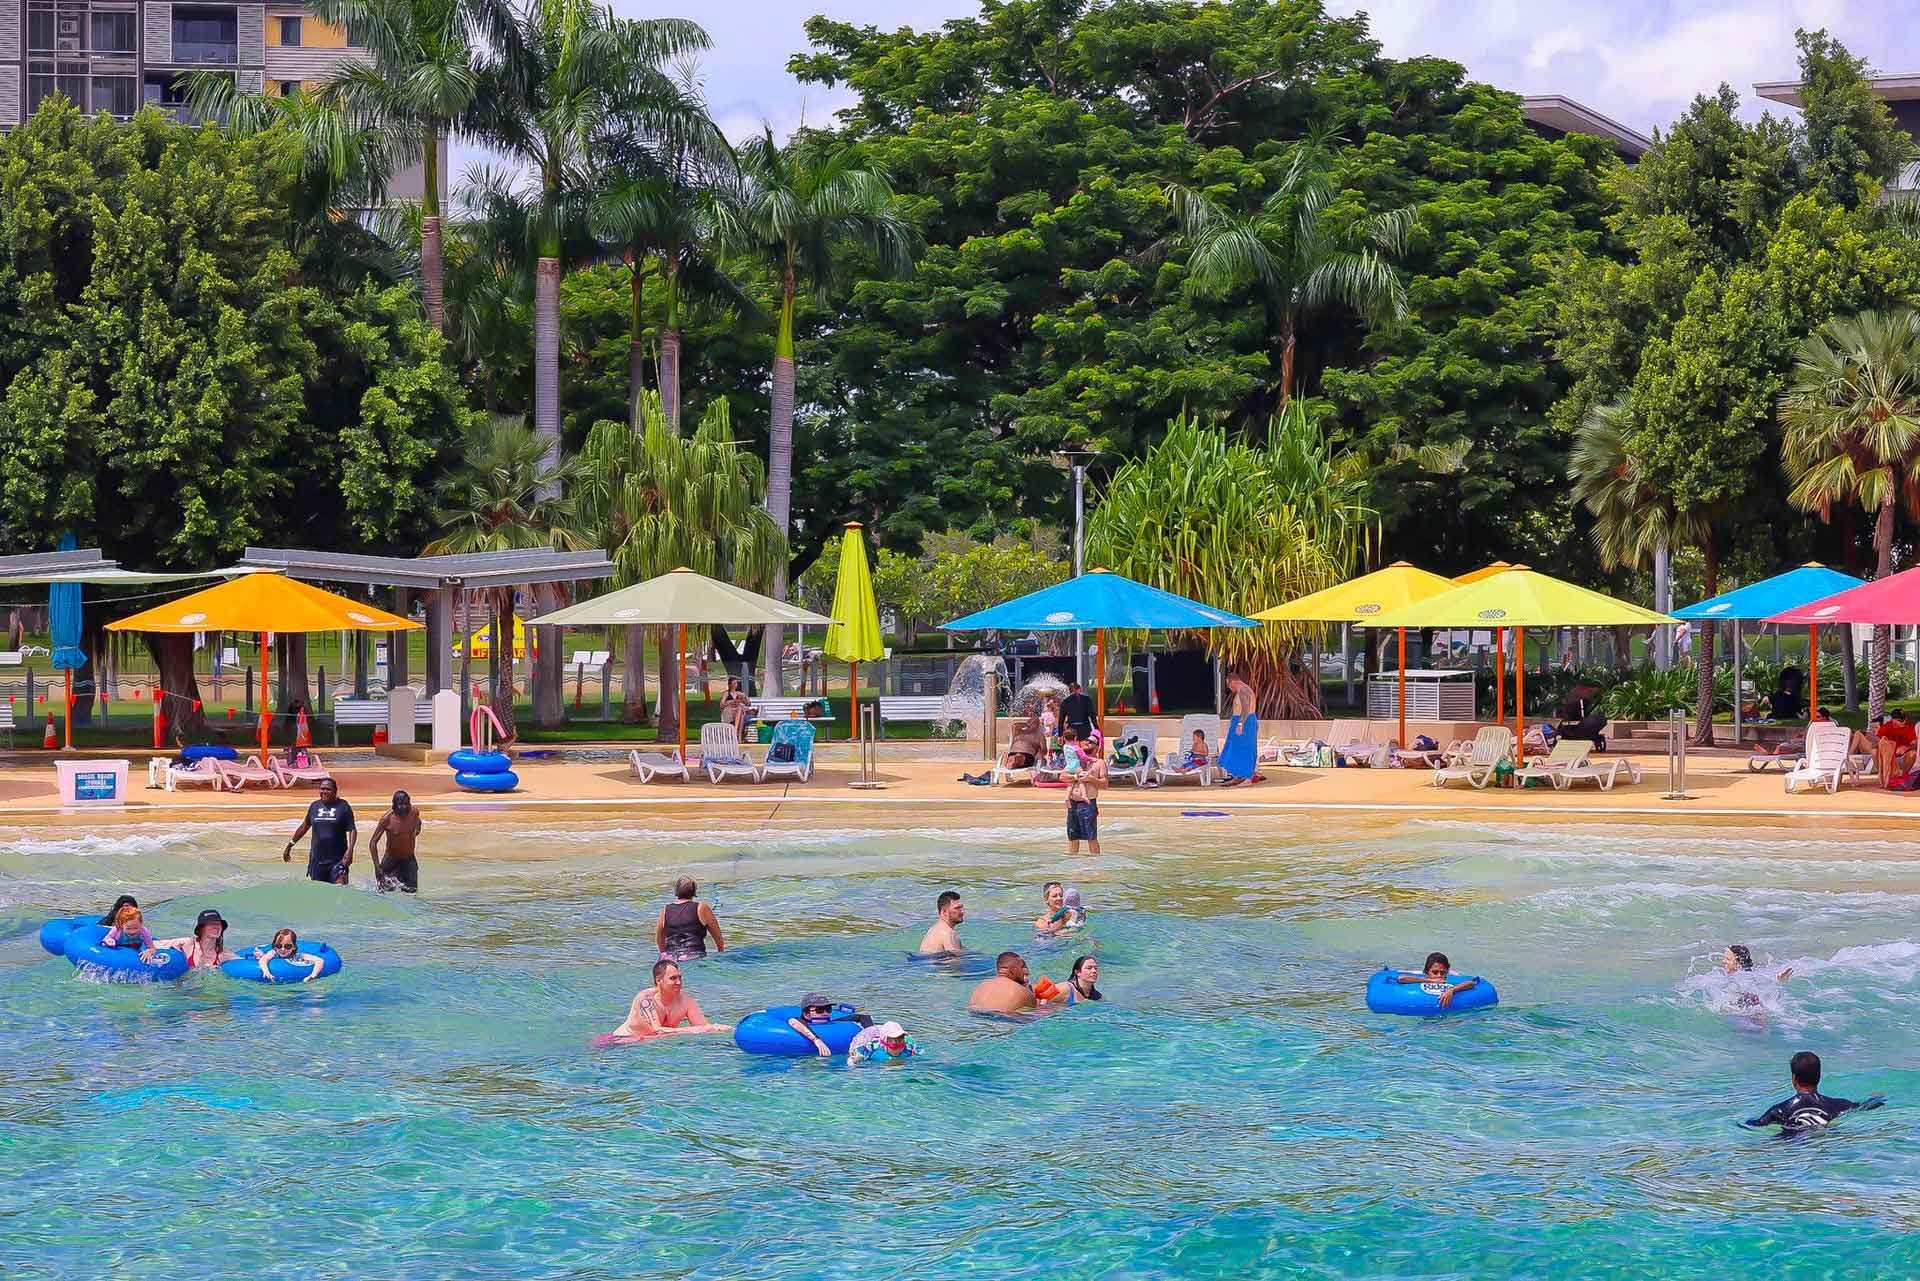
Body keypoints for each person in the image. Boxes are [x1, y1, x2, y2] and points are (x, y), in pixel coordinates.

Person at [1743, 1051, 1884, 1133]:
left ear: (1794, 1079)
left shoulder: (1778, 1111)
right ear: (1819, 1077)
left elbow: (1754, 1124)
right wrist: (1876, 1098)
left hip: (1791, 1146)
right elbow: (1866, 1106)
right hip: (1825, 1140)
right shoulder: (1837, 1105)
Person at [608, 959, 731, 1039]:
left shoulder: (686, 1000)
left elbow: (703, 1027)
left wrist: (719, 1030)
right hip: (620, 1042)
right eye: (673, 978)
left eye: (680, 978)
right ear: (659, 980)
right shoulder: (645, 999)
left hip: (648, 1045)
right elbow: (658, 1031)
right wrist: (696, 1030)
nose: (679, 982)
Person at [283, 778, 356, 885]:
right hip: (317, 861)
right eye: (322, 789)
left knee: (340, 891)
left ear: (335, 791)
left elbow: (352, 829)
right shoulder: (314, 806)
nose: (324, 791)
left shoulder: (343, 806)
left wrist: (350, 850)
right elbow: (304, 826)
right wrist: (290, 845)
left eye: (328, 789)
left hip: (338, 861)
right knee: (320, 892)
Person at [656, 877, 726, 961]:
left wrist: (665, 956)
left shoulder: (665, 910)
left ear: (676, 891)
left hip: (670, 957)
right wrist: (721, 954)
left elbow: (659, 939)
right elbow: (718, 937)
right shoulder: (701, 908)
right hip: (694, 956)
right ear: (694, 891)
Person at [367, 791, 423, 894]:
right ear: (394, 805)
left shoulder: (414, 812)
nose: (404, 807)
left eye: (406, 804)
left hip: (409, 859)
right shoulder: (387, 819)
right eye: (401, 804)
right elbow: (372, 843)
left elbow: (419, 823)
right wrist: (377, 867)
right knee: (385, 893)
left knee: (412, 893)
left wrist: (415, 833)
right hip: (391, 860)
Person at [785, 992, 870, 1056]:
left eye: (828, 1009)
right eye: (820, 1010)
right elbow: (793, 1021)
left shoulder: (834, 1022)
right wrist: (816, 1040)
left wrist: (873, 1035)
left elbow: (863, 1017)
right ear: (806, 1014)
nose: (825, 1013)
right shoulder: (799, 1021)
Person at [1391, 951, 1480, 1010]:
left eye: (1443, 972)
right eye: (1435, 972)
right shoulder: (1420, 974)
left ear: (1447, 971)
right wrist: (1430, 981)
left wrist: (1452, 990)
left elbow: (1471, 983)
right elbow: (1401, 979)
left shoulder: (1453, 975)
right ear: (1426, 971)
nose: (1439, 975)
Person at [155, 909, 236, 971]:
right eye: (211, 924)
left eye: (218, 924)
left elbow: (244, 964)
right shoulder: (187, 944)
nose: (216, 927)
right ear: (201, 928)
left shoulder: (223, 955)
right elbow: (156, 944)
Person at [969, 951, 1041, 1015]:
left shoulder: (981, 987)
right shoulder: (1021, 991)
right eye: (1022, 966)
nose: (1025, 970)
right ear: (1013, 970)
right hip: (1003, 1023)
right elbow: (1037, 1014)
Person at [1218, 672, 1258, 785]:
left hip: (1245, 722)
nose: (1229, 688)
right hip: (1239, 721)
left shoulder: (1244, 690)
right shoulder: (1241, 690)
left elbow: (1245, 709)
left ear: (1232, 682)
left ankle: (1247, 778)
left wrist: (1240, 724)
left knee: (1245, 749)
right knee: (1235, 749)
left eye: (1228, 685)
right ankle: (1238, 776)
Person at [247, 927, 326, 983]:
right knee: (260, 956)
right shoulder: (274, 952)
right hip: (268, 958)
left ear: (294, 947)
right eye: (279, 946)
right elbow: (264, 960)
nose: (283, 949)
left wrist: (312, 976)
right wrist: (266, 971)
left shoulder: (298, 956)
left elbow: (320, 960)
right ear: (274, 946)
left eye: (287, 946)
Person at [1065, 747, 1105, 856]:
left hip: (1088, 804)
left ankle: (1095, 865)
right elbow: (1062, 776)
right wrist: (1075, 776)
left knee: (1091, 837)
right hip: (1073, 803)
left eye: (1091, 741)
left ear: (1097, 746)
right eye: (1086, 741)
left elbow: (1105, 784)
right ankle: (1072, 864)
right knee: (1072, 836)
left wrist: (1091, 779)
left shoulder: (1099, 763)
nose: (1087, 743)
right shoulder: (1075, 760)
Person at [847, 1021, 920, 1065]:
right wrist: (856, 1060)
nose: (898, 1048)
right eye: (894, 1046)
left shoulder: (908, 1047)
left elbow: (921, 1052)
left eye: (901, 1044)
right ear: (884, 1044)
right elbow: (856, 1056)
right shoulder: (872, 1047)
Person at [1876, 708, 1916, 786]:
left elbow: (1915, 744)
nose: (1903, 722)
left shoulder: (1909, 727)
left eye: (1903, 719)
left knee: (1913, 753)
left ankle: (1903, 776)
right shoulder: (1887, 726)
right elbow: (1878, 740)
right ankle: (1883, 776)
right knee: (1874, 751)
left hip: (1902, 756)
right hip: (1889, 754)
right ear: (1893, 720)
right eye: (1900, 720)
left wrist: (1905, 748)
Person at [917, 890, 965, 955]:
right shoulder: (948, 933)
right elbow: (955, 963)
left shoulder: (936, 928)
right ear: (944, 911)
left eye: (962, 907)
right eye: (957, 908)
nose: (962, 911)